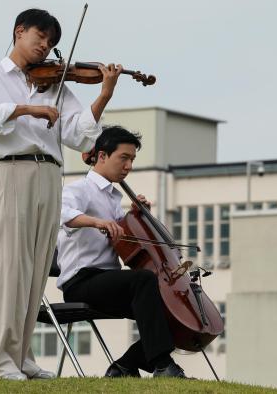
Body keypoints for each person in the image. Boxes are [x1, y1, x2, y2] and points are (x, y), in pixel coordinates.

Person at [0, 8, 122, 380]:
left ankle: (20, 357)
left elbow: (79, 134)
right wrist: (27, 108)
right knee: (10, 268)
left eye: (51, 42)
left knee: (35, 270)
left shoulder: (55, 84)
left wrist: (104, 94)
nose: (46, 46)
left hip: (51, 174)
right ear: (19, 32)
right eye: (41, 37)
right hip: (13, 169)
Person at [56, 126, 188, 378]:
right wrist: (97, 222)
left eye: (132, 160)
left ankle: (124, 366)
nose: (128, 166)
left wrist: (139, 216)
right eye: (123, 158)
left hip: (110, 283)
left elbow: (131, 241)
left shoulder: (114, 199)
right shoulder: (79, 190)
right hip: (81, 281)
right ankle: (162, 365)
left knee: (173, 310)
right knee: (143, 280)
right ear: (102, 156)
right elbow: (62, 214)